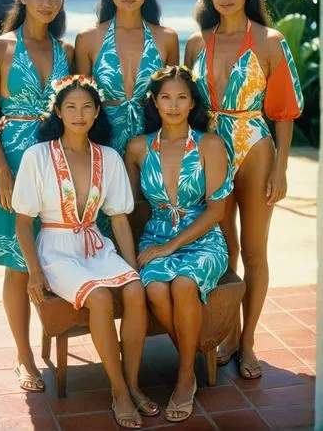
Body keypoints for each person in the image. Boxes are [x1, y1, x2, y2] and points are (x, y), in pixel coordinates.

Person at [12, 75, 160, 429]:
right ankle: (119, 392)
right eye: (71, 107)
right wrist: (34, 271)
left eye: (87, 107)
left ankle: (134, 383)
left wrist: (131, 264)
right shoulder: (38, 156)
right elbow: (22, 222)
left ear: (97, 114)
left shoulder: (107, 157)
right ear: (59, 113)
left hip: (94, 243)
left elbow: (120, 220)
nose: (79, 114)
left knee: (136, 290)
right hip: (57, 250)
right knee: (100, 299)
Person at [184, 0, 304, 379]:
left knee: (253, 251)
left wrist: (281, 169)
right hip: (211, 152)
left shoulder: (270, 41)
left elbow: (285, 112)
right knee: (224, 250)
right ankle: (227, 335)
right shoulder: (197, 42)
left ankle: (249, 340)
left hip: (254, 147)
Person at [0, 0, 74, 392]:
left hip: (59, 160)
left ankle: (65, 334)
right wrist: (4, 173)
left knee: (61, 254)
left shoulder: (67, 50)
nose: (48, 3)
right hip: (13, 161)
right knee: (16, 266)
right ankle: (24, 357)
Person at [125, 66, 232, 422]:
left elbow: (216, 210)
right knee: (154, 289)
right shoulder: (138, 148)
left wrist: (171, 248)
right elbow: (126, 203)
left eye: (181, 97)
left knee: (185, 285)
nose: (173, 105)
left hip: (203, 240)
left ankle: (185, 376)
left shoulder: (210, 144)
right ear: (154, 101)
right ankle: (198, 353)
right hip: (155, 237)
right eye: (165, 97)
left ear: (192, 102)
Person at [75, 0, 179, 157]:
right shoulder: (87, 39)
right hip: (102, 144)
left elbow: (173, 98)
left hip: (152, 143)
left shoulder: (167, 38)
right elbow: (81, 101)